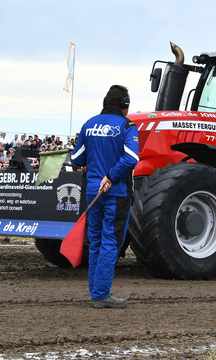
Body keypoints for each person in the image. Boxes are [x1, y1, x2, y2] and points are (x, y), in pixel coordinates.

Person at [71, 85, 139, 309]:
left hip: (93, 192)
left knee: (96, 242)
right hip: (116, 193)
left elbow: (77, 159)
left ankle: (96, 292)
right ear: (125, 104)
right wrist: (111, 175)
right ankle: (101, 295)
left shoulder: (88, 124)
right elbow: (131, 159)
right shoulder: (127, 126)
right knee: (110, 242)